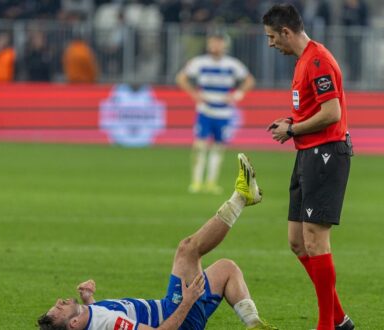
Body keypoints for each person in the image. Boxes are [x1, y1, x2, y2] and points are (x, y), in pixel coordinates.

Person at [37, 154, 277, 330]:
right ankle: (241, 197)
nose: (60, 302)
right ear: (74, 323)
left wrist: (90, 299)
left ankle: (254, 324)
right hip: (177, 315)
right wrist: (188, 301)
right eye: (59, 309)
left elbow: (98, 318)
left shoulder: (92, 317)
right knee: (187, 250)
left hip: (174, 309)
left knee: (226, 269)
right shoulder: (110, 324)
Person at [262, 4, 354, 330]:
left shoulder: (318, 61)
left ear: (286, 32)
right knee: (297, 241)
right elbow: (315, 109)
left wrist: (293, 129)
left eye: (273, 37)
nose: (271, 44)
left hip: (326, 154)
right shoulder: (304, 62)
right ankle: (340, 318)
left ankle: (326, 325)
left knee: (316, 240)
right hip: (308, 154)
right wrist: (292, 121)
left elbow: (332, 113)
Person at [176, 33, 255, 194]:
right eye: (212, 43)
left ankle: (211, 182)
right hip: (205, 110)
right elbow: (181, 78)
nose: (214, 46)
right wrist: (194, 94)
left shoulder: (232, 65)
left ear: (224, 45)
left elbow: (249, 80)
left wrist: (237, 95)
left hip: (223, 112)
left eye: (218, 43)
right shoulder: (200, 62)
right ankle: (196, 182)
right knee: (200, 145)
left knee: (218, 147)